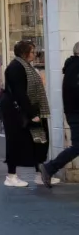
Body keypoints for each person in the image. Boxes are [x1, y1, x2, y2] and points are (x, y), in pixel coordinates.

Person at [2, 38, 49, 188]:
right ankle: (11, 176)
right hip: (16, 110)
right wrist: (30, 113)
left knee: (39, 140)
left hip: (29, 108)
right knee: (15, 141)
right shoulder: (16, 67)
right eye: (32, 52)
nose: (35, 54)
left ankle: (39, 174)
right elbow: (20, 92)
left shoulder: (27, 67)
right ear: (24, 53)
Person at [40, 41, 79, 187]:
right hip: (76, 113)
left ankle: (50, 168)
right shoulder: (76, 68)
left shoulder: (71, 66)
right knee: (78, 146)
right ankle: (50, 167)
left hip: (73, 112)